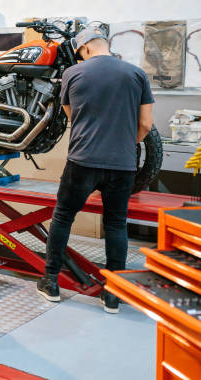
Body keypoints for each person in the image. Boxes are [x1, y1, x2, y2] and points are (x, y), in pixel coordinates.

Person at [36, 26, 154, 313]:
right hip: (122, 165)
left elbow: (71, 115)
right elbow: (147, 125)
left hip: (83, 160)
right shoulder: (136, 75)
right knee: (116, 224)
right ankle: (112, 294)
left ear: (85, 48)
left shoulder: (72, 74)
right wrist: (127, 143)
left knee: (63, 217)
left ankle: (50, 282)